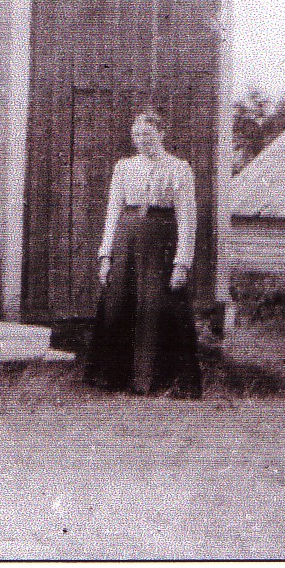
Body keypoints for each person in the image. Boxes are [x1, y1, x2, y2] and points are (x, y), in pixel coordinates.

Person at [82, 108, 204, 397]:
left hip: (161, 243)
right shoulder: (124, 167)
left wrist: (182, 263)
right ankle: (112, 377)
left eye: (148, 135)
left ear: (162, 134)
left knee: (156, 306)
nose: (141, 141)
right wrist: (105, 255)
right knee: (118, 303)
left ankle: (155, 379)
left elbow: (187, 218)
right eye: (137, 135)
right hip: (126, 241)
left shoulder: (178, 168)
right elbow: (113, 212)